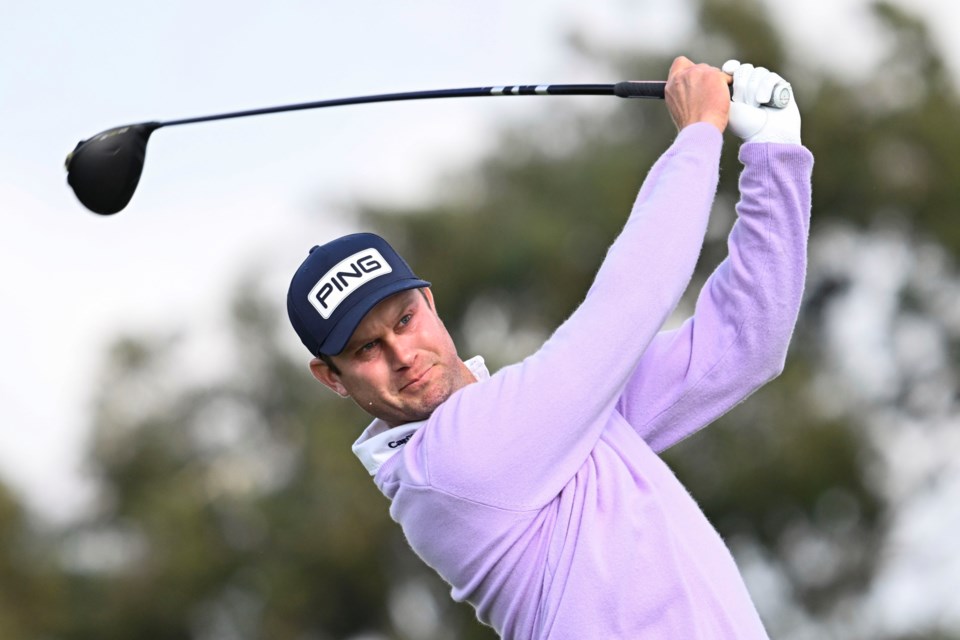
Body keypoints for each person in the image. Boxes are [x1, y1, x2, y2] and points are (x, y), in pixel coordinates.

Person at [286, 56, 813, 639]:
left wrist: (774, 156)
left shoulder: (554, 424)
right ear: (331, 377)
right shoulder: (448, 463)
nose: (402, 354)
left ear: (430, 304)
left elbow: (743, 344)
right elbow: (629, 302)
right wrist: (697, 133)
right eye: (365, 350)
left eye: (404, 320)